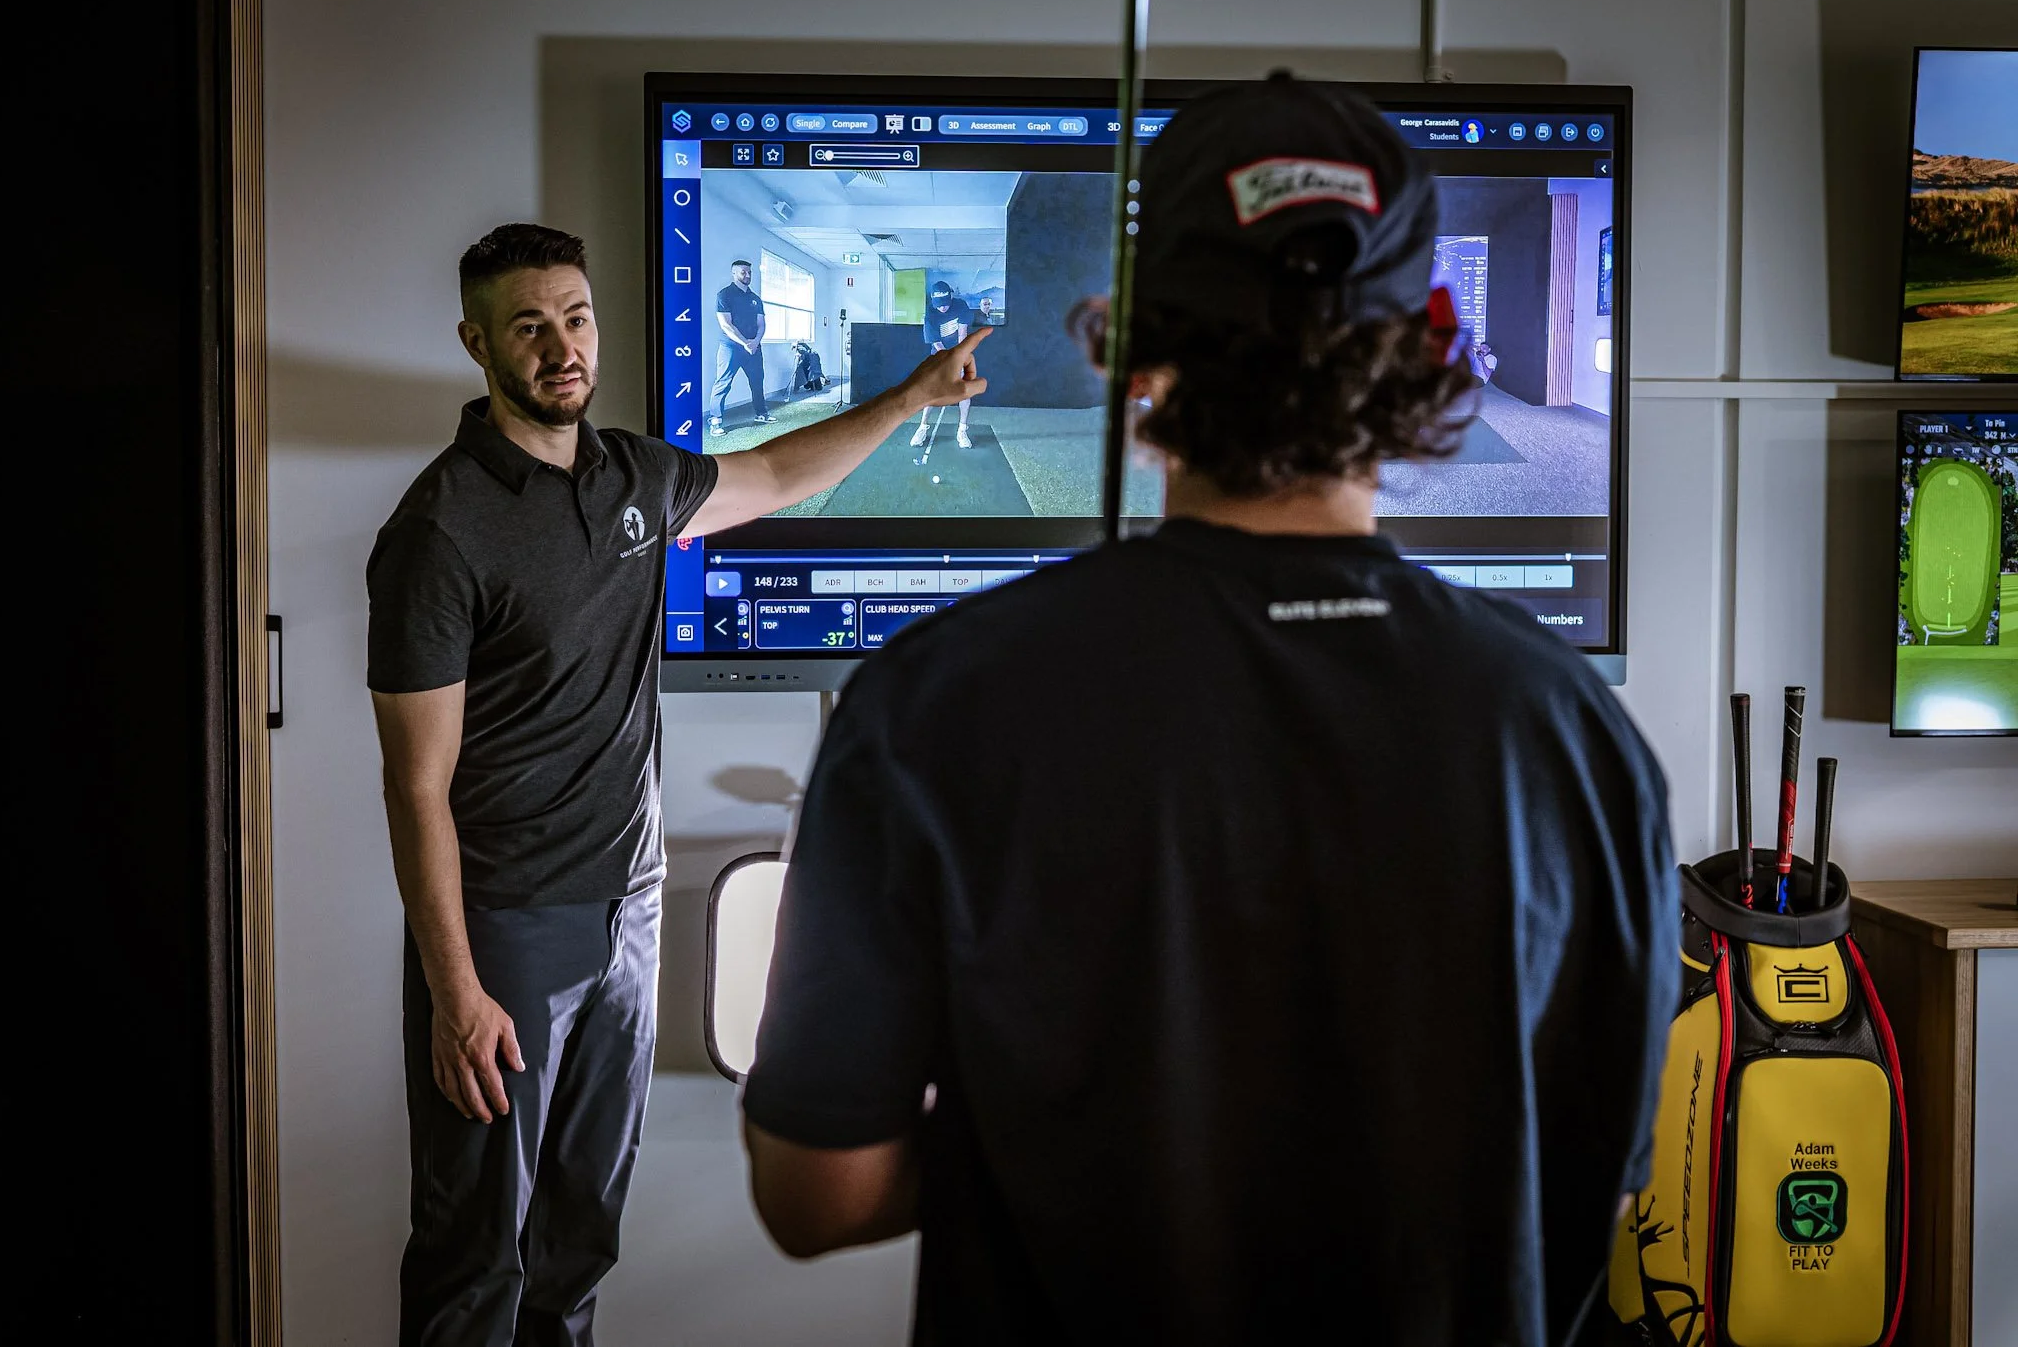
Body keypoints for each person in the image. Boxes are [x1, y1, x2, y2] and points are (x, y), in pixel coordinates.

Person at [740, 76, 1679, 1346]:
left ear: (1132, 339)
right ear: (1431, 343)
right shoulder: (1573, 731)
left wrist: (1052, 1130)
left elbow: (818, 1192)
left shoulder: (929, 703)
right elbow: (1595, 1187)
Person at [365, 222, 986, 1347]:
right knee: (475, 1256)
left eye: (575, 317)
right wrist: (456, 991)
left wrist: (909, 398)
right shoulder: (438, 530)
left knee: (578, 1240)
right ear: (477, 343)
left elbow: (777, 475)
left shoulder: (635, 475)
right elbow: (416, 786)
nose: (561, 347)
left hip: (632, 912)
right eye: (528, 327)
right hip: (507, 929)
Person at [709, 258, 769, 438]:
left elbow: (761, 324)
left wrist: (755, 341)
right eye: (743, 272)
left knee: (757, 381)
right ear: (734, 273)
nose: (747, 275)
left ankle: (761, 413)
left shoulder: (755, 298)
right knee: (723, 382)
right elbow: (726, 324)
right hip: (730, 347)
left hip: (754, 347)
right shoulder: (724, 295)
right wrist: (745, 343)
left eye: (749, 272)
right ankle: (715, 420)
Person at [912, 280, 975, 448]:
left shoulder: (961, 306)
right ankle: (923, 427)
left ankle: (962, 430)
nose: (942, 308)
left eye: (945, 304)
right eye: (939, 305)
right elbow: (936, 343)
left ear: (951, 296)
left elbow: (962, 334)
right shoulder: (930, 312)